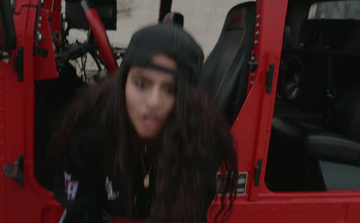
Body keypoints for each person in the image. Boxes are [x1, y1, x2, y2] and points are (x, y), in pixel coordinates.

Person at [47, 23, 238, 223]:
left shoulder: (202, 139)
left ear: (188, 98)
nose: (153, 101)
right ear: (124, 82)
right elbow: (82, 210)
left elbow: (188, 214)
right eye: (141, 84)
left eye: (170, 89)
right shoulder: (90, 125)